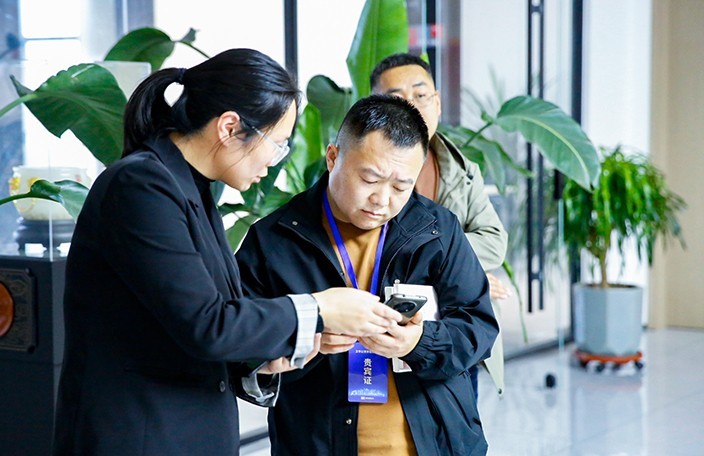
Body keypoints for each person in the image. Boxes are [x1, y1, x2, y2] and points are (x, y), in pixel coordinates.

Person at [52, 49, 402, 456]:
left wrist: (266, 360)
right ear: (230, 127)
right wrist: (319, 308)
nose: (275, 161)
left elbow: (200, 326)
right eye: (277, 144)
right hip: (139, 437)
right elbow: (208, 324)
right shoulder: (141, 186)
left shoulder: (191, 188)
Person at [236, 95, 499, 455]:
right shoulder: (274, 240)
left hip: (433, 444)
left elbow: (479, 326)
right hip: (317, 445)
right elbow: (238, 347)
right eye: (369, 178)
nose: (382, 199)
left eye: (401, 186)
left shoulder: (436, 230)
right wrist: (300, 340)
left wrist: (418, 342)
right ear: (333, 157)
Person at [371, 53, 510, 397]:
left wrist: (453, 268)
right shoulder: (361, 171)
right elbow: (363, 250)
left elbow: (494, 240)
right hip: (383, 335)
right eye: (396, 98)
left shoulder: (462, 170)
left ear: (437, 103)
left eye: (420, 95)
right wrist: (460, 272)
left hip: (453, 334)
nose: (411, 106)